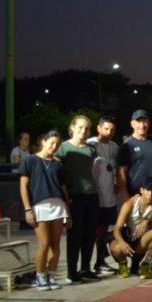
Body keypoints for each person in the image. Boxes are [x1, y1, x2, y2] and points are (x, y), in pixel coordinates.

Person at [18, 130, 71, 290]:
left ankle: (52, 276)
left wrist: (68, 212)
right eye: (51, 143)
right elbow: (23, 186)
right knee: (44, 244)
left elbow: (64, 189)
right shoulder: (30, 161)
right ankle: (40, 275)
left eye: (57, 144)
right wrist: (28, 210)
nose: (54, 147)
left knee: (56, 244)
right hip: (39, 206)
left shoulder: (58, 164)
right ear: (43, 141)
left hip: (57, 205)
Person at [58, 115, 100, 284]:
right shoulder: (63, 148)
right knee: (75, 234)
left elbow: (89, 171)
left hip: (91, 194)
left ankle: (86, 268)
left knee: (90, 234)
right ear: (72, 127)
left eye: (86, 128)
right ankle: (71, 271)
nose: (83, 131)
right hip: (74, 195)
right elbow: (59, 173)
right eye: (80, 127)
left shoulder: (91, 149)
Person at [110, 176, 152, 280]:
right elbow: (117, 229)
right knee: (115, 247)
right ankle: (123, 265)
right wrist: (123, 244)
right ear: (141, 190)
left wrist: (148, 221)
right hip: (129, 236)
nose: (151, 194)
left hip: (142, 240)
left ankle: (145, 264)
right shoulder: (129, 204)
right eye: (148, 190)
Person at [88, 115, 120, 275]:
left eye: (112, 129)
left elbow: (115, 169)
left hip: (109, 196)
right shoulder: (90, 144)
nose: (109, 132)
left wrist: (116, 183)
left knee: (103, 230)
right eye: (106, 128)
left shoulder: (115, 146)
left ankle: (100, 262)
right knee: (92, 231)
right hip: (94, 195)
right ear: (99, 128)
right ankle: (86, 265)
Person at [117, 109, 152, 199]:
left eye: (145, 122)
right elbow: (121, 171)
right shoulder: (127, 145)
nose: (142, 125)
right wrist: (124, 193)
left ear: (149, 123)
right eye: (139, 122)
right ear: (132, 124)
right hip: (134, 195)